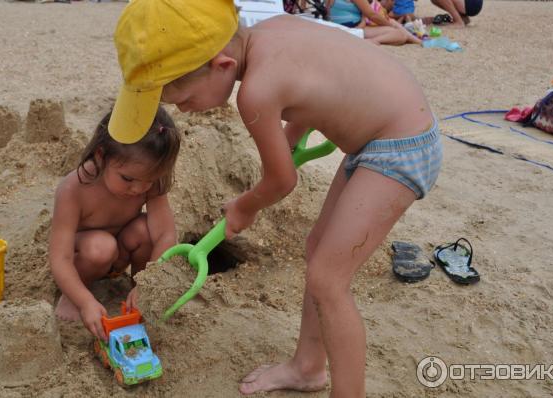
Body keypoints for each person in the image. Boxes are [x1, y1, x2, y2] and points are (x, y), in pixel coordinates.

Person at [108, 1, 442, 396]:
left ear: (222, 65)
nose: (182, 109)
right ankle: (308, 368)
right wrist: (293, 135)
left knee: (328, 279)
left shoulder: (256, 93)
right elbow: (316, 77)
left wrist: (244, 206)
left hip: (397, 148)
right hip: (389, 133)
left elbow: (282, 181)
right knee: (319, 249)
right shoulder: (275, 27)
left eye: (182, 98)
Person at [49, 107, 180, 341]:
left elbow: (165, 235)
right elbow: (60, 257)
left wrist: (148, 285)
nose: (139, 189)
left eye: (148, 181)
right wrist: (85, 302)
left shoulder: (151, 180)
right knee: (101, 247)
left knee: (144, 230)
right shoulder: (74, 189)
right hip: (86, 256)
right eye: (127, 179)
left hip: (120, 252)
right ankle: (73, 295)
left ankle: (137, 295)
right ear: (101, 155)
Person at [327, 0, 421, 45]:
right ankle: (371, 42)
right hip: (352, 27)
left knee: (391, 22)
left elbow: (328, 13)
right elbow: (372, 15)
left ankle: (417, 40)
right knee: (400, 35)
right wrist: (391, 26)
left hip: (339, 25)